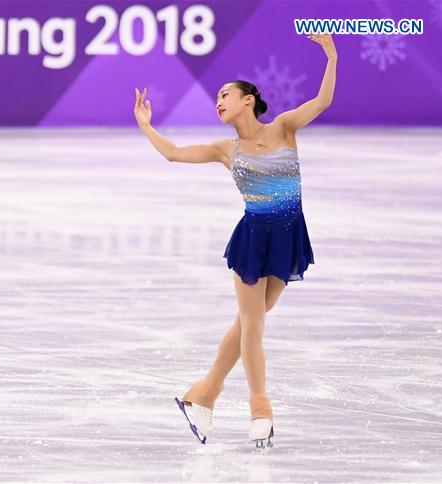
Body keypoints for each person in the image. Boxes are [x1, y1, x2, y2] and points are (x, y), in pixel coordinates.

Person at [132, 34, 337, 448]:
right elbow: (173, 153)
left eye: (226, 95)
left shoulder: (283, 127)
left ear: (249, 99)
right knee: (254, 324)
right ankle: (260, 408)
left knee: (248, 322)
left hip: (289, 235)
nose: (219, 101)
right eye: (217, 98)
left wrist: (331, 56)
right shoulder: (226, 149)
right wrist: (146, 125)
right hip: (253, 240)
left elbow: (322, 101)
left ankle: (203, 393)